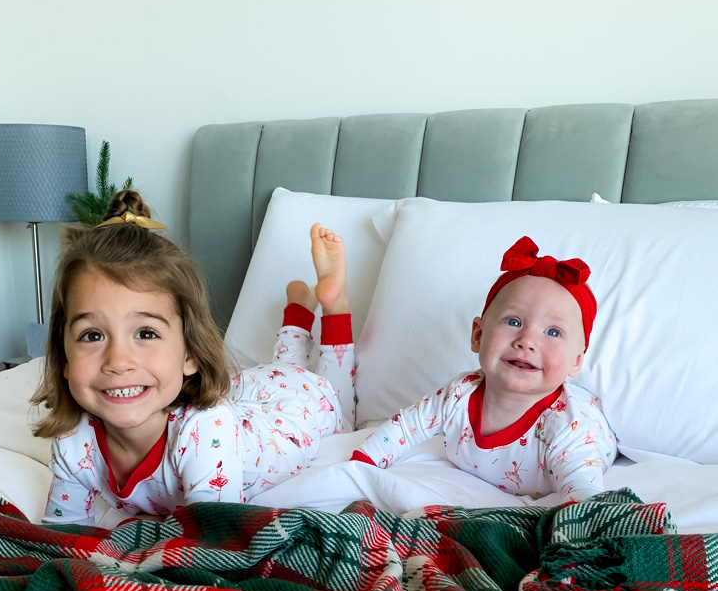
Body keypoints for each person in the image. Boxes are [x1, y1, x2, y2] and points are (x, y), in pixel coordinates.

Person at [32, 190, 354, 525]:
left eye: (145, 333)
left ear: (191, 354)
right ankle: (298, 315)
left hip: (294, 405)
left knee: (333, 399)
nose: (118, 360)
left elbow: (210, 544)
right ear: (64, 359)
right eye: (92, 335)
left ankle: (331, 308)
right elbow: (63, 538)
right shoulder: (73, 441)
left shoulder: (202, 435)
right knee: (281, 368)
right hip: (248, 392)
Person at [351, 236, 617, 502]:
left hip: (590, 425)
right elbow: (406, 427)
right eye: (513, 321)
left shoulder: (569, 428)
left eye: (553, 331)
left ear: (576, 362)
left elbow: (583, 495)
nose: (527, 341)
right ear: (478, 335)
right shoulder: (458, 395)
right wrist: (359, 467)